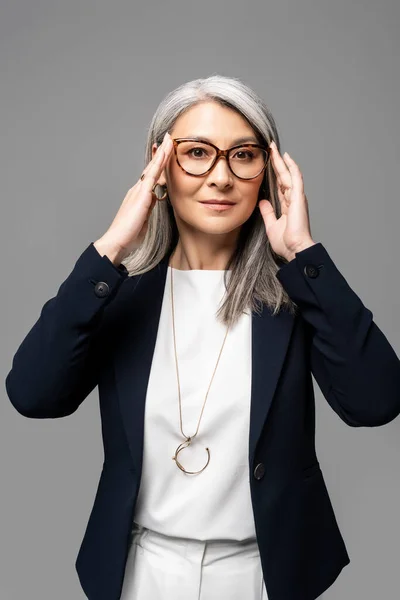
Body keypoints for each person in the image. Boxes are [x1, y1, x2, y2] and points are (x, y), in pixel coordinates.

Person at [5, 74, 400, 600]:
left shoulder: (295, 296)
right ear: (160, 164)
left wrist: (303, 254)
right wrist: (112, 247)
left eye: (243, 155)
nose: (221, 177)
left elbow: (376, 402)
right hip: (141, 572)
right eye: (197, 152)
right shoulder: (118, 295)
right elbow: (32, 395)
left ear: (267, 170)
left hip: (264, 575)